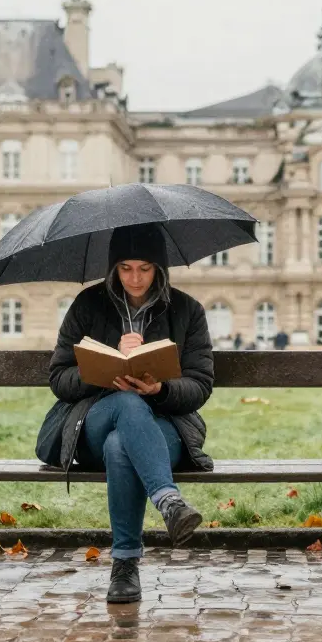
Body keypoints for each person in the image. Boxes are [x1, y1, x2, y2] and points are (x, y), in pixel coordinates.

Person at [37, 225, 214, 604]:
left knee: (123, 446)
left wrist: (160, 389)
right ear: (113, 268)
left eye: (146, 268)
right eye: (126, 268)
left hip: (165, 428)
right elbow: (59, 378)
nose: (135, 278)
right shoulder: (88, 305)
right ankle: (168, 501)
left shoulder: (187, 310)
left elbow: (200, 385)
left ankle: (124, 567)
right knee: (125, 407)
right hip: (94, 421)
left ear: (161, 269)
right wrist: (103, 366)